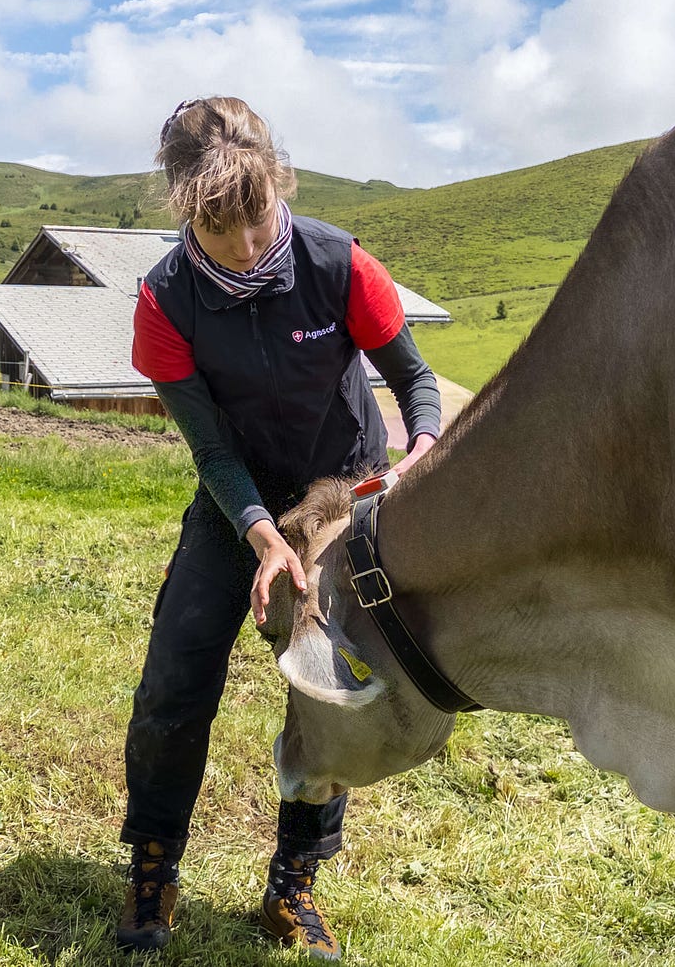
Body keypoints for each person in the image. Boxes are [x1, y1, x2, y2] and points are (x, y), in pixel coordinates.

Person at [118, 96, 443, 960]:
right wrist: (260, 531)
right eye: (221, 230)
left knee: (328, 685)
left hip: (341, 500)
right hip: (236, 500)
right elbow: (210, 448)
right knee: (176, 676)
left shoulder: (339, 263)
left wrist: (419, 451)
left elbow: (416, 383)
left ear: (277, 185)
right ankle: (154, 867)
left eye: (258, 218)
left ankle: (293, 885)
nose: (248, 245)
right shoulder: (165, 301)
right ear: (187, 210)